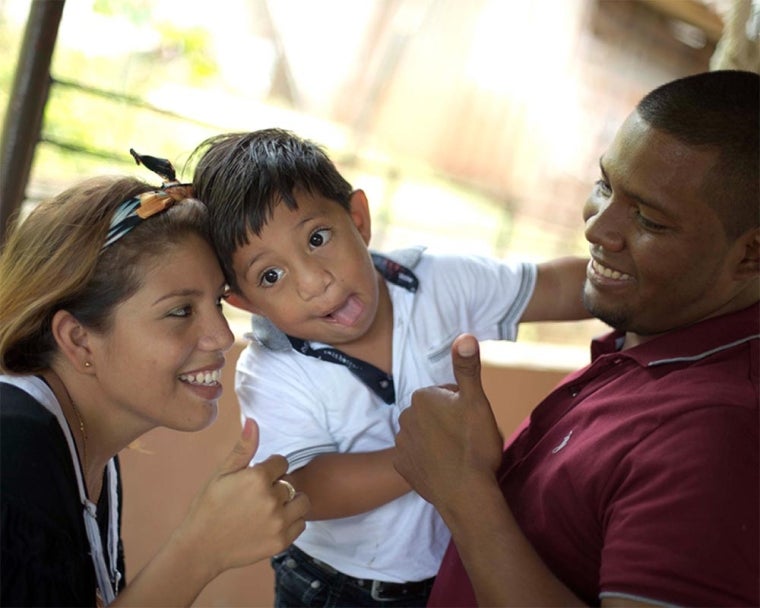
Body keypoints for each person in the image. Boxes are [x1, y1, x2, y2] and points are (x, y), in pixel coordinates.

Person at [393, 69, 760, 607]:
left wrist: (465, 495)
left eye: (649, 220)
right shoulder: (645, 342)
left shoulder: (717, 433)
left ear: (751, 253)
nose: (597, 228)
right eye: (606, 186)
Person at [190, 128, 590, 607]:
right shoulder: (272, 370)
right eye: (271, 276)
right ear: (243, 300)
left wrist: (649, 285)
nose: (315, 282)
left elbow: (554, 287)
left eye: (317, 238)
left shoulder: (437, 281)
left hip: (448, 572)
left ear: (358, 219)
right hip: (336, 588)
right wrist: (436, 457)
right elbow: (306, 487)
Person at [0, 152, 309, 606]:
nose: (222, 336)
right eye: (180, 311)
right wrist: (201, 550)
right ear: (78, 339)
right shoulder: (12, 449)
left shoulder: (86, 452)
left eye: (218, 304)